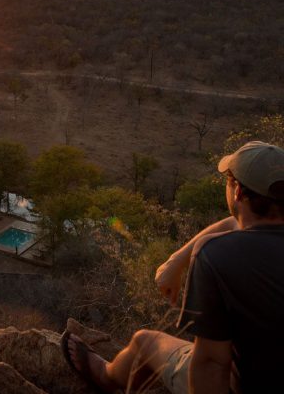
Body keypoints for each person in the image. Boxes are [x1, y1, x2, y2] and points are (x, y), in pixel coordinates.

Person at [62, 141, 284, 394]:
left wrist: (190, 256)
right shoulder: (240, 241)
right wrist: (176, 261)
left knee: (146, 342)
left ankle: (105, 376)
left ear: (238, 192)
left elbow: (211, 364)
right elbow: (239, 223)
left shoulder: (218, 255)